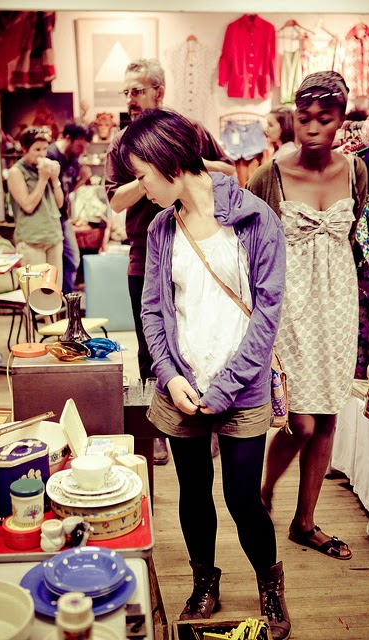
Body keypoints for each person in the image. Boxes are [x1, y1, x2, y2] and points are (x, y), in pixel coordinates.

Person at [118, 108, 290, 640]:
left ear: (169, 162)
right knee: (193, 493)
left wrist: (225, 387)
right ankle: (204, 583)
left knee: (242, 497)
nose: (141, 188)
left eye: (143, 174)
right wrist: (170, 377)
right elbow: (151, 310)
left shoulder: (256, 219)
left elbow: (267, 313)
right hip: (182, 386)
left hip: (242, 387)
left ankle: (270, 584)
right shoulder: (161, 228)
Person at [246, 71, 368, 560]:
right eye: (304, 117)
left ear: (342, 120)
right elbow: (247, 247)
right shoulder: (269, 176)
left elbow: (351, 239)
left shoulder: (356, 171)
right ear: (292, 117)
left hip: (338, 305)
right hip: (288, 308)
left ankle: (305, 522)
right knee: (300, 422)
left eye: (325, 118)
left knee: (328, 417)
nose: (313, 128)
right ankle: (265, 487)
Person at [105, 58, 235, 464]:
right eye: (126, 91)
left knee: (202, 336)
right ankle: (160, 427)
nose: (130, 99)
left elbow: (229, 171)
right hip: (144, 256)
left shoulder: (188, 129)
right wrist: (148, 176)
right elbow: (115, 201)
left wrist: (180, 162)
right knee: (151, 344)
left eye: (137, 90)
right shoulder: (121, 142)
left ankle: (209, 418)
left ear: (158, 91)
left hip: (197, 248)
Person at [7, 126, 63, 284]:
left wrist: (55, 180)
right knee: (36, 293)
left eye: (45, 149)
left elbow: (59, 204)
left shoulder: (46, 170)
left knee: (55, 290)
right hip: (31, 240)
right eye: (37, 149)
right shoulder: (16, 172)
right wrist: (43, 180)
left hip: (53, 237)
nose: (42, 154)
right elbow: (28, 205)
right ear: (25, 149)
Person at [46, 122, 93, 294]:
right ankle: (57, 300)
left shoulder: (73, 159)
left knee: (72, 259)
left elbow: (68, 189)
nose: (82, 151)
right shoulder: (50, 156)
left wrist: (82, 179)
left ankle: (65, 299)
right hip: (49, 218)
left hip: (62, 217)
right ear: (68, 138)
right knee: (54, 264)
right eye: (80, 146)